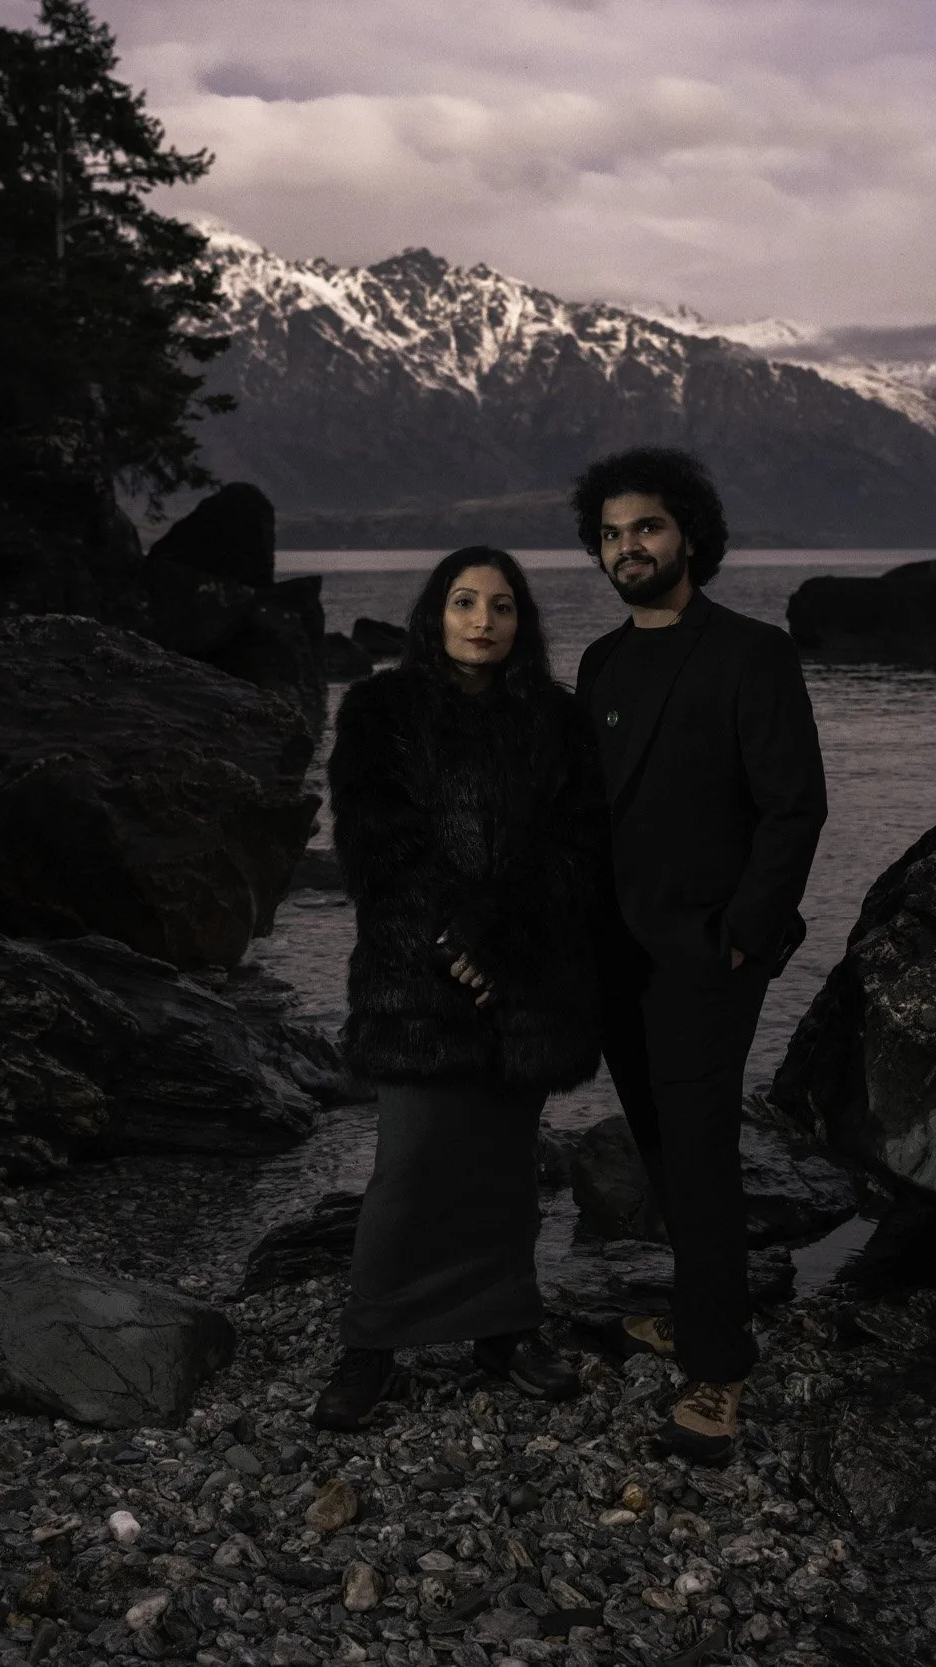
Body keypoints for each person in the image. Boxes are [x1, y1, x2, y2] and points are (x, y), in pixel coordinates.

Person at [310, 545, 608, 1431]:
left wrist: (501, 936)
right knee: (407, 1167)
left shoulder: (557, 719)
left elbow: (575, 846)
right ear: (435, 614)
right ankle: (372, 1345)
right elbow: (376, 841)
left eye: (502, 606)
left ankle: (505, 1328)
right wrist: (454, 937)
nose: (483, 621)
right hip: (416, 982)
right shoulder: (381, 709)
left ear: (523, 623)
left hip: (523, 982)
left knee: (505, 1169)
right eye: (465, 602)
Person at [571, 448, 826, 1464]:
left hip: (706, 954)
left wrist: (743, 937)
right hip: (614, 953)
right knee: (663, 1147)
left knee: (705, 1152)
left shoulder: (751, 654)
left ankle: (716, 1377)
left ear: (689, 537)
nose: (627, 546)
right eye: (610, 533)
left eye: (646, 527)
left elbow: (793, 806)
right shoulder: (599, 664)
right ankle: (700, 1308)